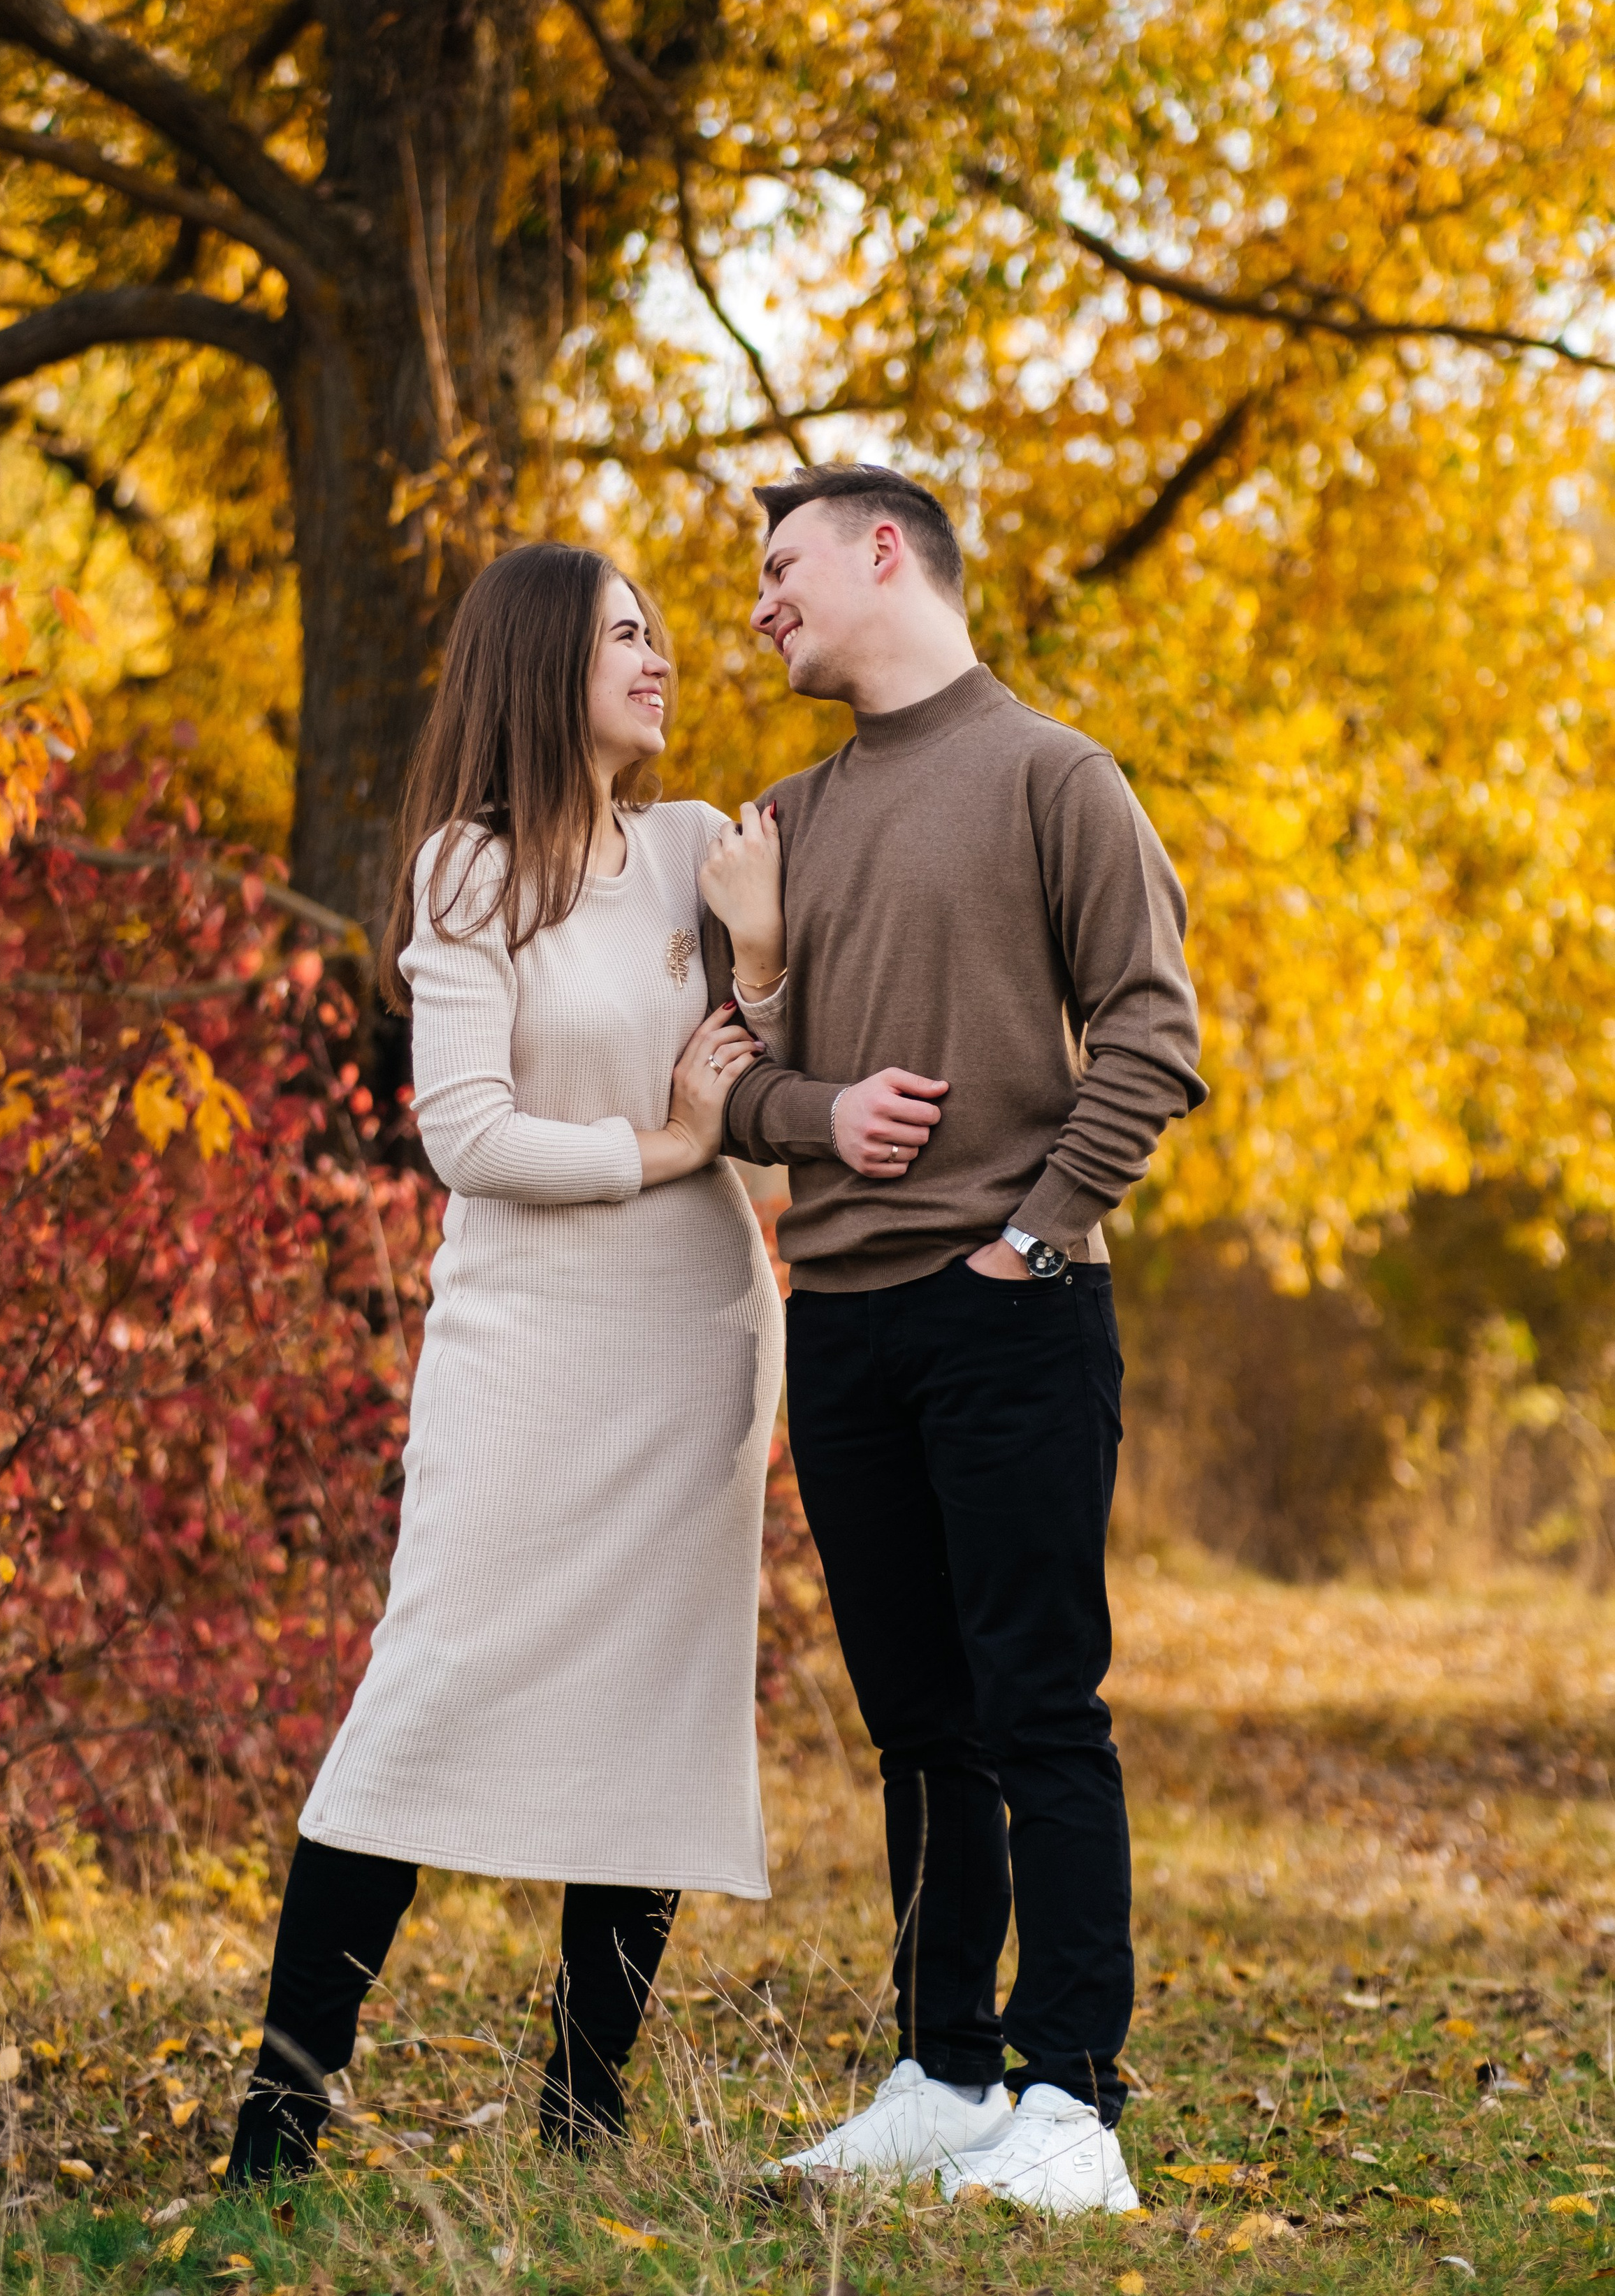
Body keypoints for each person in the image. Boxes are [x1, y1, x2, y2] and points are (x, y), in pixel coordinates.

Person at [226, 540, 790, 2181]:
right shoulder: (469, 872)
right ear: (543, 661)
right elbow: (463, 1132)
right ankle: (274, 2130)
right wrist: (665, 1150)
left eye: (661, 630)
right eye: (624, 631)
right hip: (529, 1348)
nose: (661, 653)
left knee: (659, 1716)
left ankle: (581, 2117)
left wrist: (753, 960)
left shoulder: (699, 847)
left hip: (695, 1338)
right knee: (419, 1703)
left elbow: (767, 1063)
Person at [723, 463, 1207, 2215]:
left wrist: (1033, 1229)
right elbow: (721, 1082)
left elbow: (1151, 1035)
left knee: (1036, 1711)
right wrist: (817, 1103)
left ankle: (1070, 2101)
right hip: (840, 1331)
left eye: (779, 567)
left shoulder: (1049, 774)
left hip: (1009, 1318)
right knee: (916, 1725)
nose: (757, 603)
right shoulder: (781, 819)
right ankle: (940, 2071)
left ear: (881, 553)